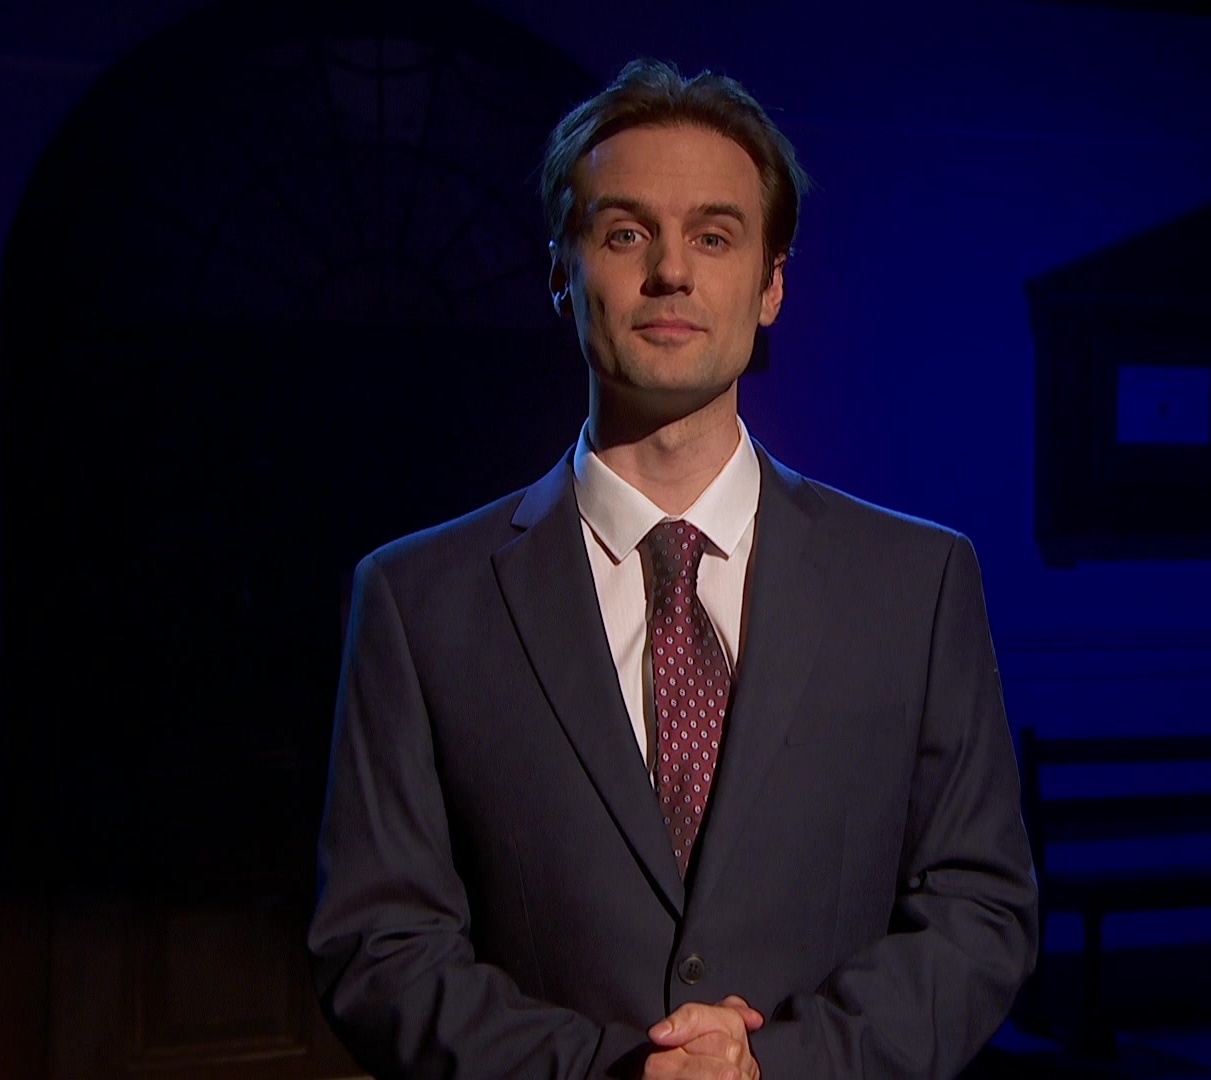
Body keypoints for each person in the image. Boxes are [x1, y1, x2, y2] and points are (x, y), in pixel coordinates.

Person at [308, 59, 1037, 1079]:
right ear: (561, 271)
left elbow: (980, 912)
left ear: (771, 284)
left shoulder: (917, 585)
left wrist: (774, 1066)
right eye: (624, 234)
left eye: (714, 236)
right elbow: (378, 950)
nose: (671, 272)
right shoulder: (418, 599)